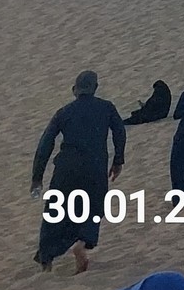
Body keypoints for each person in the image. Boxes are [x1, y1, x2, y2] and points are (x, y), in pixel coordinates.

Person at [32, 71, 126, 273]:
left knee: (55, 211)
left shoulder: (64, 112)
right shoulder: (106, 107)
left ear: (74, 90)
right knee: (93, 209)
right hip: (95, 167)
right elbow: (120, 131)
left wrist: (37, 177)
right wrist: (118, 160)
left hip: (66, 168)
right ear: (95, 88)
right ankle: (82, 243)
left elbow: (45, 143)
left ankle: (47, 260)